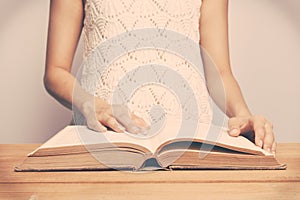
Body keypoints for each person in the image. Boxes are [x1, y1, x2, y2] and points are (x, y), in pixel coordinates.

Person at [44, 0, 275, 154]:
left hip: (188, 144)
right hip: (105, 140)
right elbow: (55, 71)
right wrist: (93, 105)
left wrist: (244, 116)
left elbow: (220, 73)